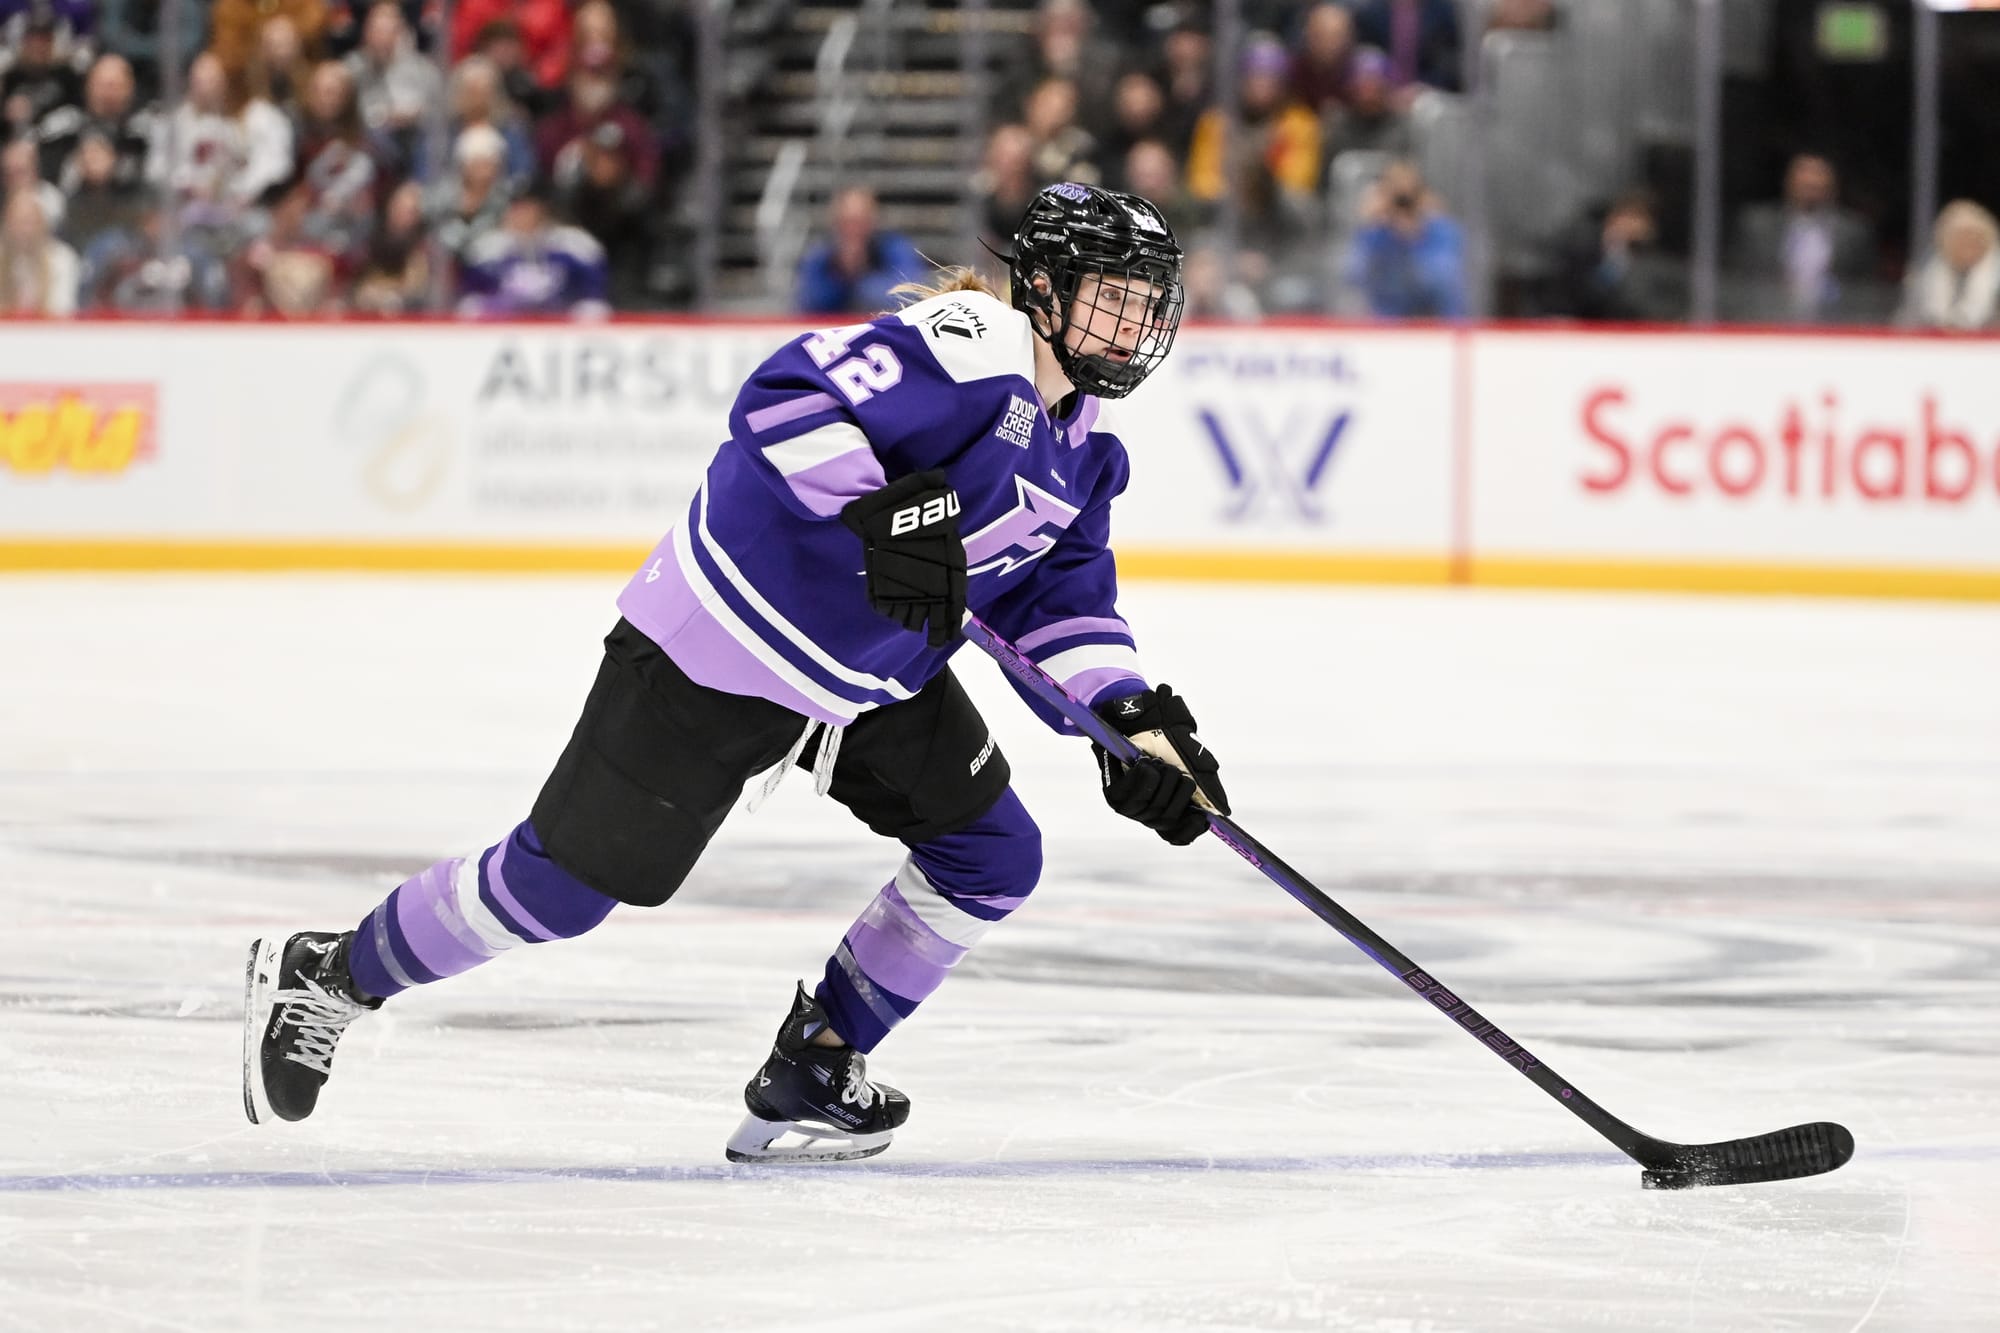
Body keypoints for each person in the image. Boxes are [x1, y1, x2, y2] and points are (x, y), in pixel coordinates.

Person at [242, 182, 1231, 1166]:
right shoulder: (971, 344)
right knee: (559, 891)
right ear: (1047, 290)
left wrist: (1132, 722)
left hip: (864, 680)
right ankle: (331, 974)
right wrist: (880, 506)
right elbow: (788, 397)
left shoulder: (1085, 454)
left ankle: (816, 1064)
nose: (1138, 323)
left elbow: (1055, 604)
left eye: (1150, 304)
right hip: (726, 643)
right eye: (1116, 295)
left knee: (991, 854)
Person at [795, 185, 924, 315]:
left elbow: (908, 294)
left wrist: (860, 277)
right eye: (846, 222)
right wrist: (841, 275)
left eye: (859, 221)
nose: (853, 230)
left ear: (873, 221)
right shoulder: (821, 256)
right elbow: (808, 301)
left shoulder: (894, 249)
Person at [1898, 199, 2000, 332]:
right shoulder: (1924, 276)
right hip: (1933, 347)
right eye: (1959, 237)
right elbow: (1905, 321)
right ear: (1944, 242)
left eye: (1974, 237)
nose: (1967, 244)